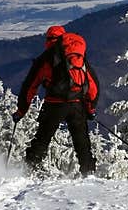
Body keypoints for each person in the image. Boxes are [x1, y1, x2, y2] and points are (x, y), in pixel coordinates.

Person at [13, 25, 100, 176]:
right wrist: (91, 108)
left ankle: (28, 172)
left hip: (54, 105)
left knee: (42, 139)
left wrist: (21, 111)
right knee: (82, 142)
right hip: (77, 105)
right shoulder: (78, 57)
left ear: (48, 40)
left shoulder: (46, 58)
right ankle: (89, 174)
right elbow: (93, 85)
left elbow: (30, 87)